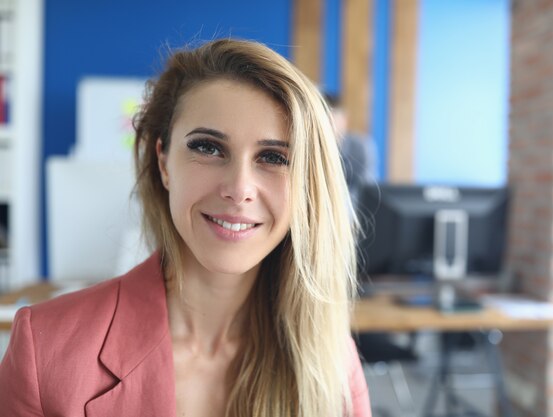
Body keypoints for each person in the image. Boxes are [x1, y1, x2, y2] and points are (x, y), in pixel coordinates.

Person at [0, 39, 371, 416]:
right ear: (164, 163)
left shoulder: (332, 363)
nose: (239, 189)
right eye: (208, 148)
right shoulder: (45, 349)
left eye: (274, 157)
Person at [323, 93, 379, 205]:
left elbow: (366, 193)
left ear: (344, 120)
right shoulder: (309, 148)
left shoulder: (361, 147)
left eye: (332, 119)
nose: (328, 126)